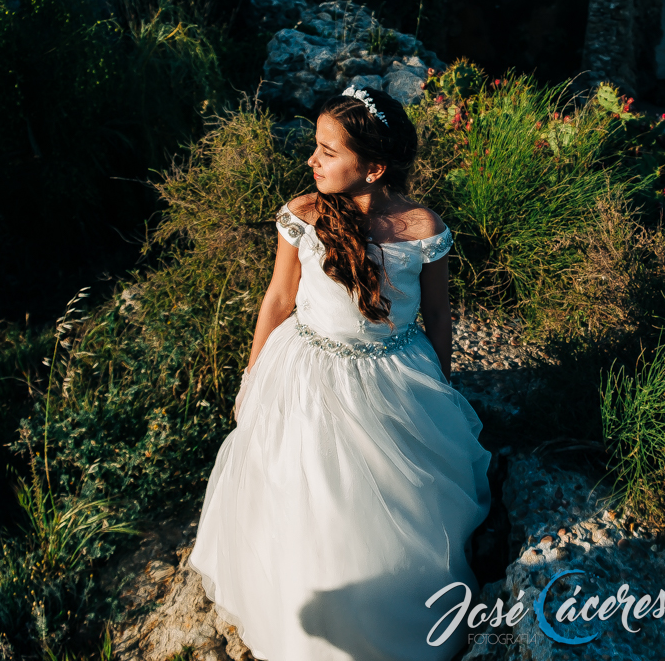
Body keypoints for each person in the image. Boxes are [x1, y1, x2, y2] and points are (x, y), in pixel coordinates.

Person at [189, 86, 491, 661]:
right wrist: (253, 373)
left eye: (327, 151)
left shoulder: (421, 228)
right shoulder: (303, 215)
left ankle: (391, 620)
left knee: (404, 506)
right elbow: (279, 299)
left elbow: (438, 316)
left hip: (394, 374)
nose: (312, 160)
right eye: (316, 147)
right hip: (304, 373)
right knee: (305, 495)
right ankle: (303, 616)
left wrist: (444, 388)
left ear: (373, 167)